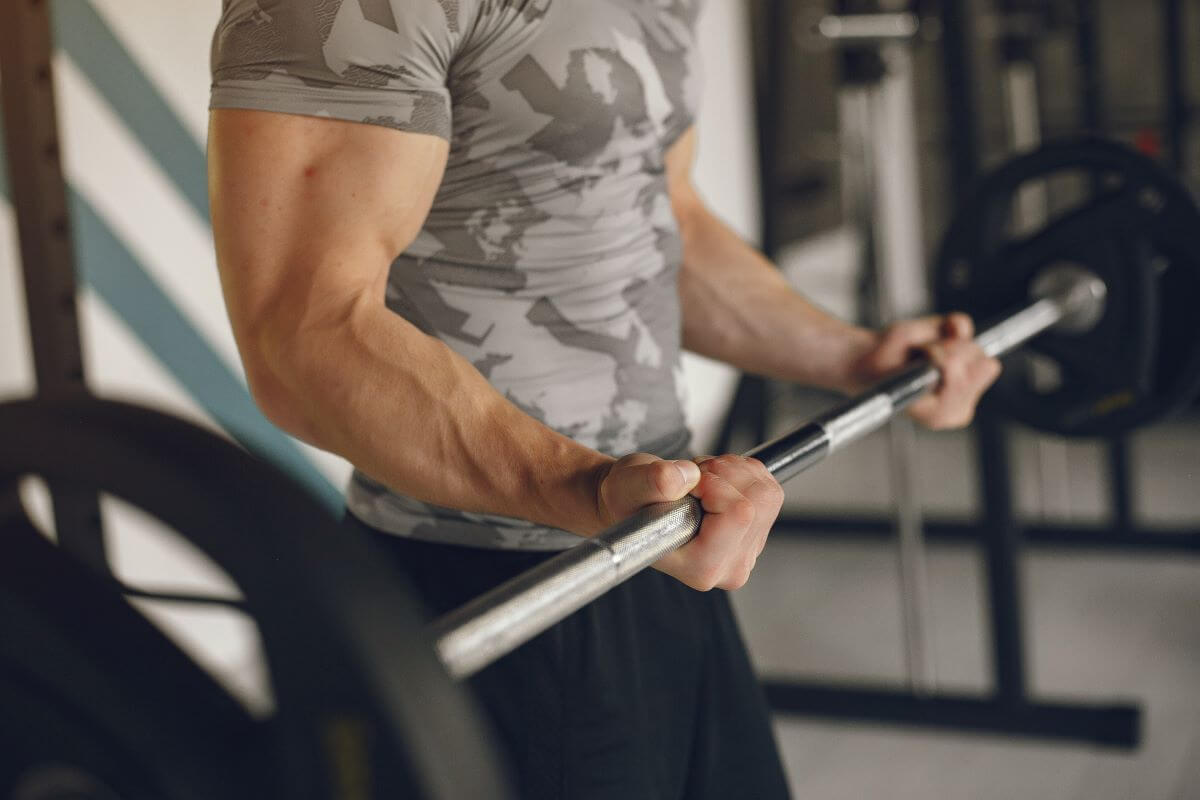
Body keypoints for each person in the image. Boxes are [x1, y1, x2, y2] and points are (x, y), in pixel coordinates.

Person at [207, 1, 1000, 796]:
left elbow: (661, 219)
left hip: (658, 544)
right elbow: (304, 332)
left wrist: (855, 356)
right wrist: (582, 489)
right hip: (490, 579)